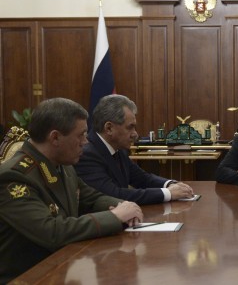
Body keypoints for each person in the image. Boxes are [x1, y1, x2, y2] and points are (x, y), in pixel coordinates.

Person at [0, 98, 143, 283]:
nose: (85, 142)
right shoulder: (14, 177)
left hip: (61, 267)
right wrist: (115, 217)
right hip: (27, 277)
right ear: (55, 137)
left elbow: (91, 198)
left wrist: (121, 206)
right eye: (81, 135)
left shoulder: (63, 166)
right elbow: (52, 232)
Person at [75, 95, 195, 205]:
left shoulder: (118, 148)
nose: (135, 134)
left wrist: (170, 184)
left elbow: (142, 178)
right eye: (130, 127)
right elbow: (113, 195)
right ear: (109, 128)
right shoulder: (87, 154)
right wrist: (168, 193)